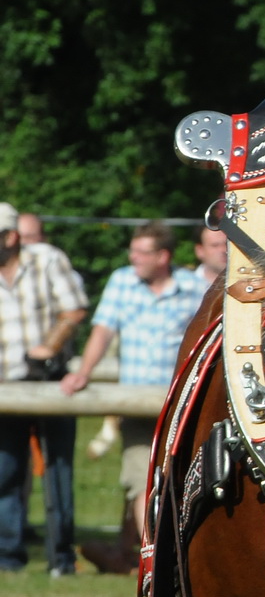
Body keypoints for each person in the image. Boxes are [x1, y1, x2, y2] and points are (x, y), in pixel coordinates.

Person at [59, 222, 204, 573]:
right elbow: (104, 329)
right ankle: (160, 561)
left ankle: (165, 555)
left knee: (181, 479)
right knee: (143, 482)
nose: (133, 258)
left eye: (142, 252)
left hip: (182, 405)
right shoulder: (122, 281)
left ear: (163, 256)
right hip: (136, 404)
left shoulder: (194, 288)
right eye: (133, 251)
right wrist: (84, 371)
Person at [0, 203, 88, 576]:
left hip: (50, 379)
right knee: (5, 471)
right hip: (7, 387)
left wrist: (49, 347)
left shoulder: (47, 259)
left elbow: (75, 308)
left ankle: (61, 558)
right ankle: (8, 557)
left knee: (57, 471)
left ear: (11, 237)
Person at [193, 224, 228, 288]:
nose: (224, 250)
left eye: (227, 244)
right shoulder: (187, 288)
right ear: (200, 250)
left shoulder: (247, 285)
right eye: (215, 245)